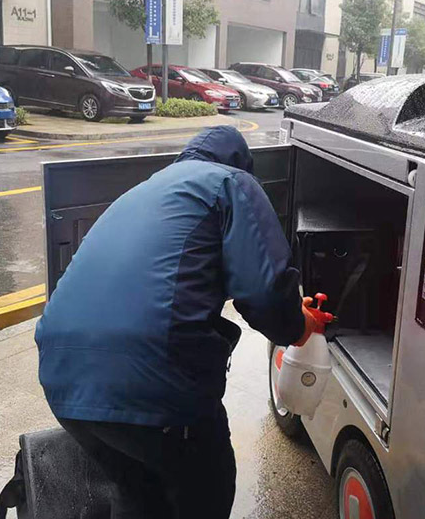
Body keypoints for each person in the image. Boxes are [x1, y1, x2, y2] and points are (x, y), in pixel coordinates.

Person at [35, 125, 317, 519]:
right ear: (241, 164)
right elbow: (266, 293)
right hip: (151, 381)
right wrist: (298, 326)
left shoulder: (145, 189)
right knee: (207, 486)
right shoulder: (233, 183)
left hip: (62, 378)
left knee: (135, 489)